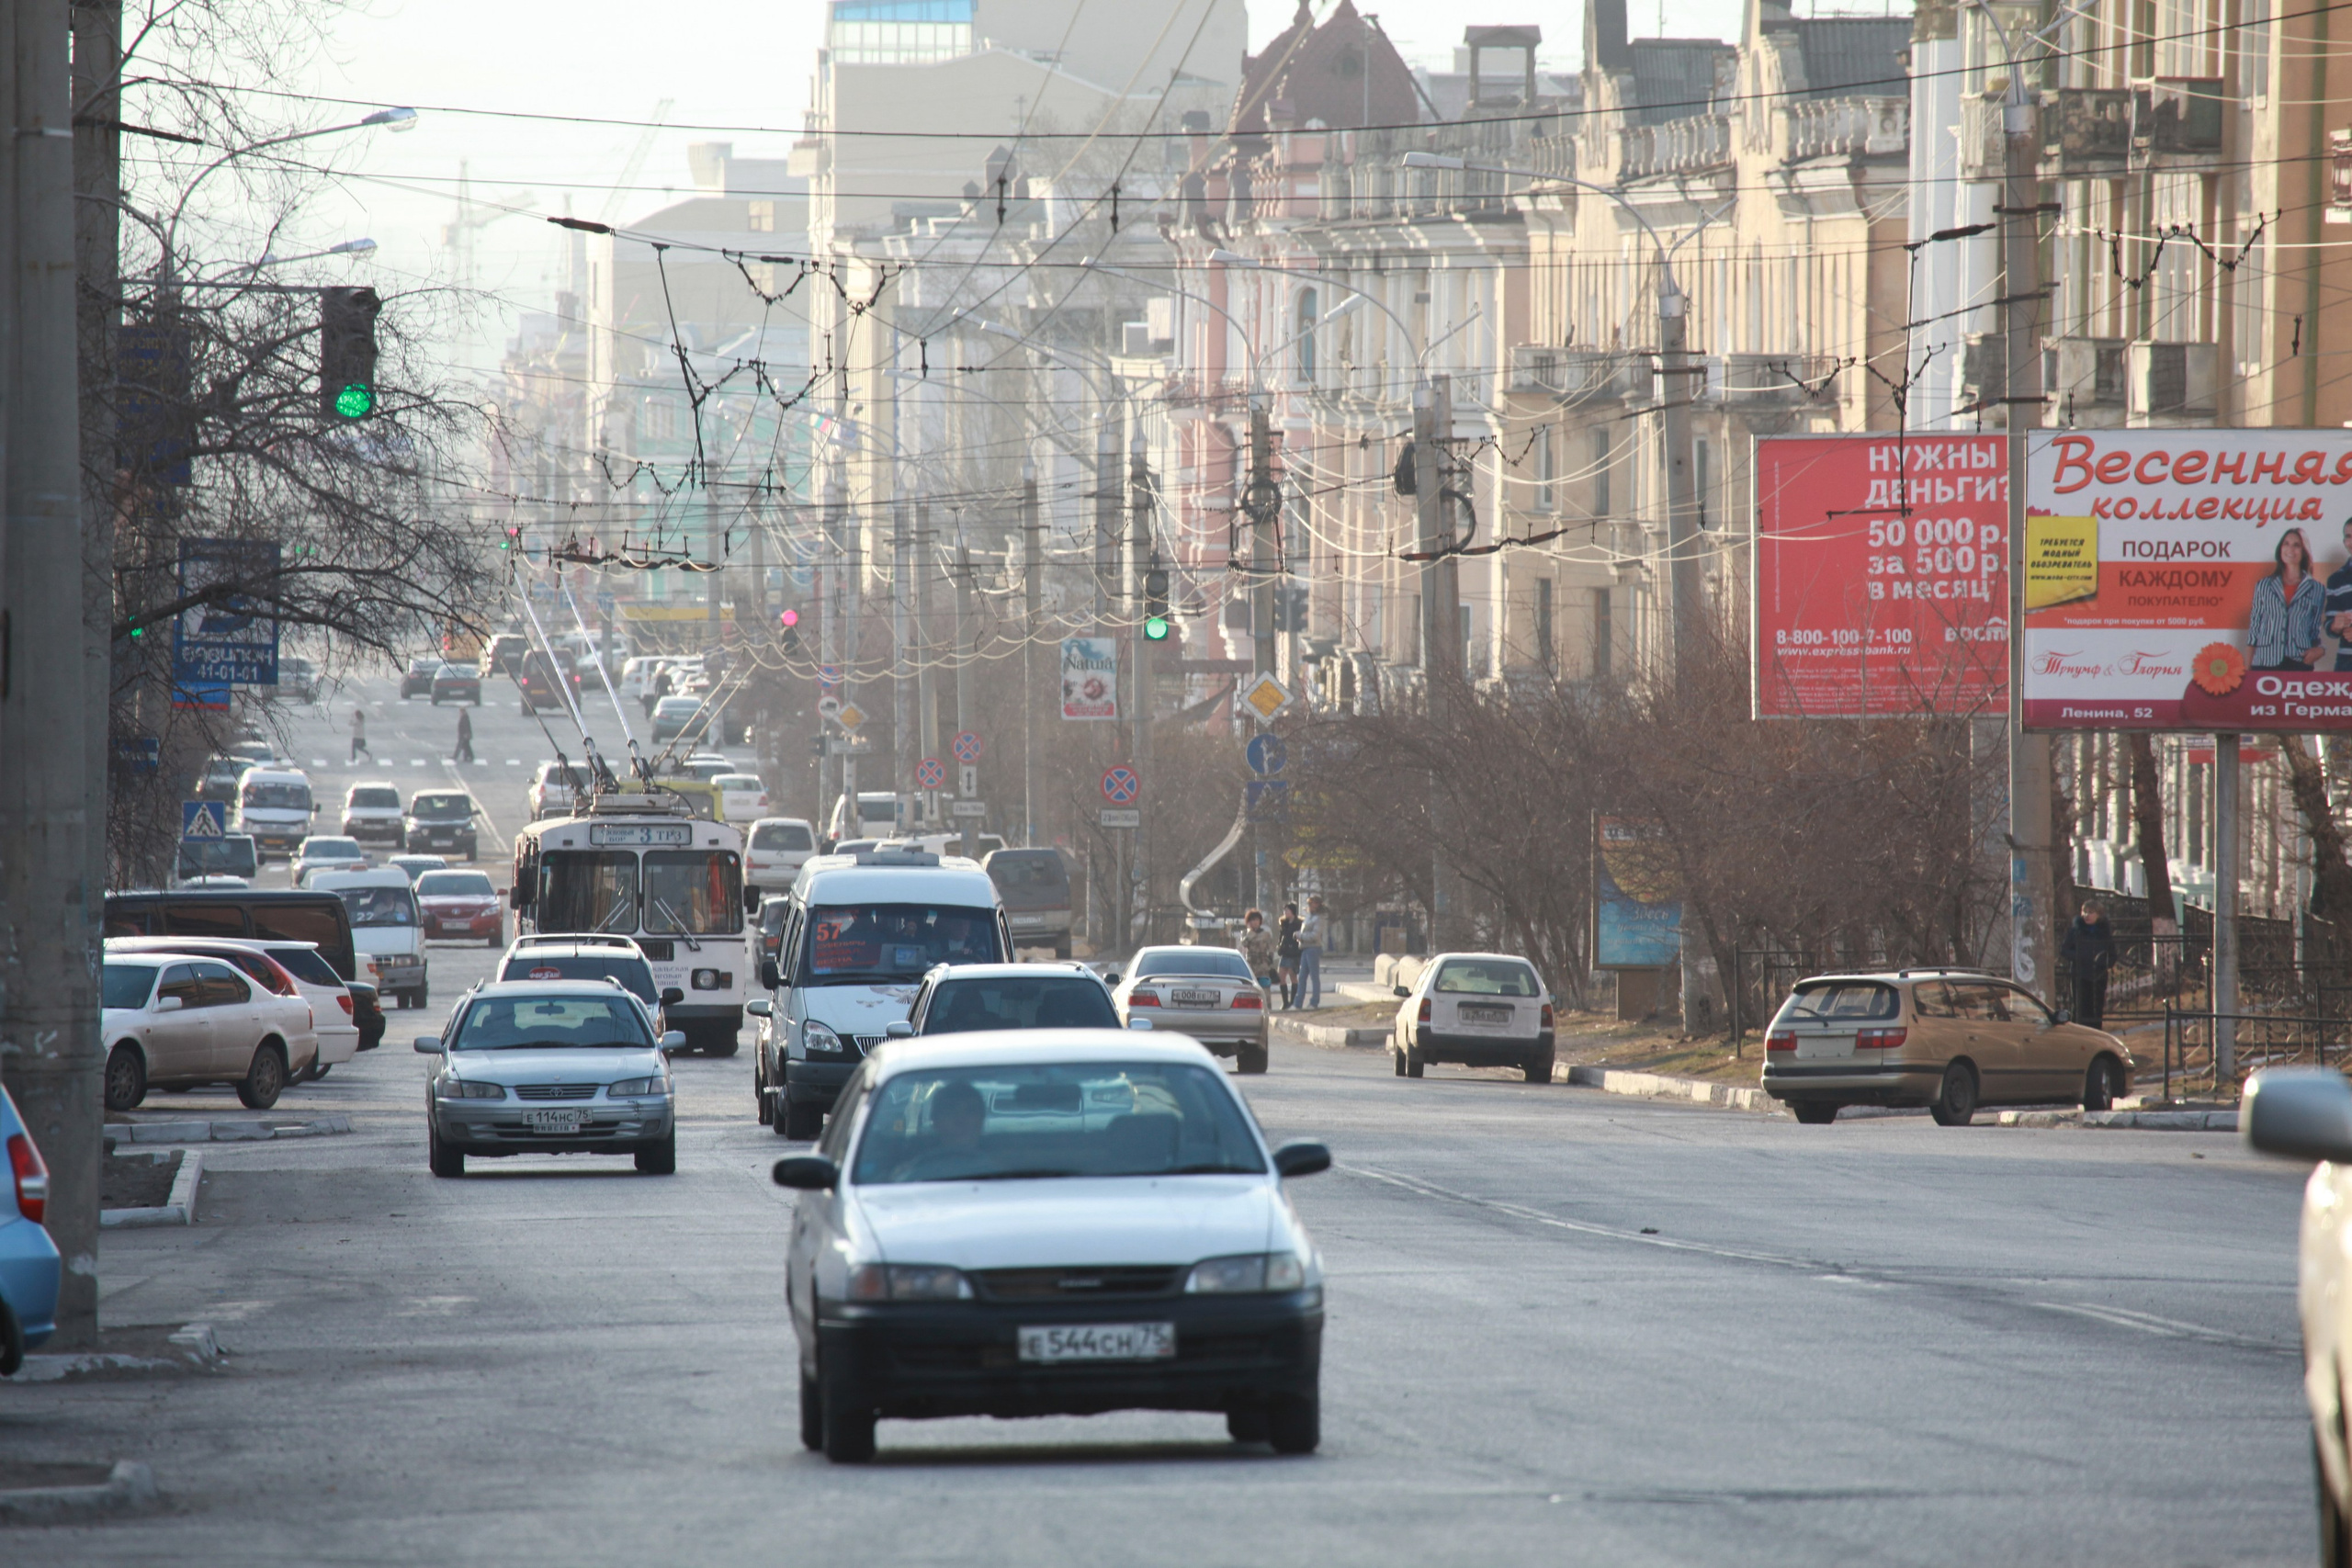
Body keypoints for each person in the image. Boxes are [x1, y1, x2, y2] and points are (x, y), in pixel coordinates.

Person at [2248, 526, 2326, 671]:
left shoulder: (2317, 589)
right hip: (2265, 661)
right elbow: (2254, 628)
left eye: (2296, 545)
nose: (2290, 549)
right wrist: (2248, 668)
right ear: (2280, 548)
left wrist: (2320, 649)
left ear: (2304, 551)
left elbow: (2315, 629)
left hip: (2299, 661)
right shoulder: (2264, 585)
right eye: (2286, 543)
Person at [2060, 899, 2115, 1031]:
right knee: (2079, 1007)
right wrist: (2080, 956)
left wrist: (2100, 962)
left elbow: (2112, 956)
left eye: (2090, 912)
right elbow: (2064, 950)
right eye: (2084, 912)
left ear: (2099, 915)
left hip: (2098, 976)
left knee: (2095, 1008)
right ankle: (2077, 1033)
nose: (2086, 915)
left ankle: (2096, 1033)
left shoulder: (2104, 933)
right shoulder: (2076, 931)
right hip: (2080, 975)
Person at [2326, 518, 2352, 670]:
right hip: (2347, 663)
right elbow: (2330, 624)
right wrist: (2334, 626)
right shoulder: (2336, 579)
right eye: (2348, 536)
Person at [1238, 908, 1279, 999]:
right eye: (1251, 920)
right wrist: (1250, 933)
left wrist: (1269, 959)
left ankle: (1267, 1006)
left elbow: (1271, 947)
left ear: (1260, 921)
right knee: (1251, 985)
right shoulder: (1247, 933)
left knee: (1265, 985)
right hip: (1251, 962)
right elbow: (1243, 944)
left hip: (1263, 963)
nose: (1254, 922)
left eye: (1256, 920)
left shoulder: (1266, 934)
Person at [1296, 896, 1328, 1010]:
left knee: (1314, 976)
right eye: (1309, 903)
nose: (1309, 906)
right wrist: (1299, 934)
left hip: (1313, 948)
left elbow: (1315, 935)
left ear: (1318, 905)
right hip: (1305, 947)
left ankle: (1314, 1002)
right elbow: (1305, 930)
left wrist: (1300, 936)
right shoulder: (1309, 916)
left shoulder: (1319, 918)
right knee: (1302, 977)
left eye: (1312, 904)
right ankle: (1298, 1003)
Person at [1275, 903, 1303, 1010]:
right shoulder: (1284, 923)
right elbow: (1281, 936)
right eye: (1284, 910)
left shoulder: (1298, 923)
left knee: (1293, 976)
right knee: (1281, 976)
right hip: (1285, 952)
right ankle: (1285, 1002)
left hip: (1294, 953)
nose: (1285, 913)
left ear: (1293, 912)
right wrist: (1279, 946)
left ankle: (1292, 1001)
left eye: (1287, 910)